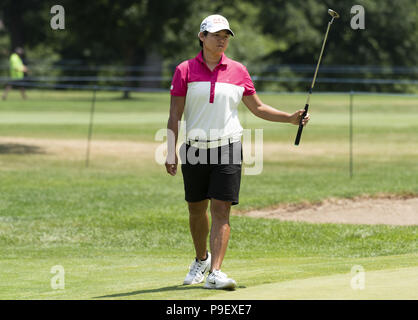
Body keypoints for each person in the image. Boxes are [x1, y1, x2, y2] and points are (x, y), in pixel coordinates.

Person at [165, 14, 310, 290]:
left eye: (226, 36)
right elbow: (175, 115)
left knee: (222, 209)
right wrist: (170, 151)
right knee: (196, 210)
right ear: (202, 37)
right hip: (195, 150)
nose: (222, 40)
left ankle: (216, 272)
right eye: (216, 35)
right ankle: (201, 259)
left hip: (228, 147)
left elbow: (258, 108)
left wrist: (289, 118)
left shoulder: (238, 70)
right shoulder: (184, 70)